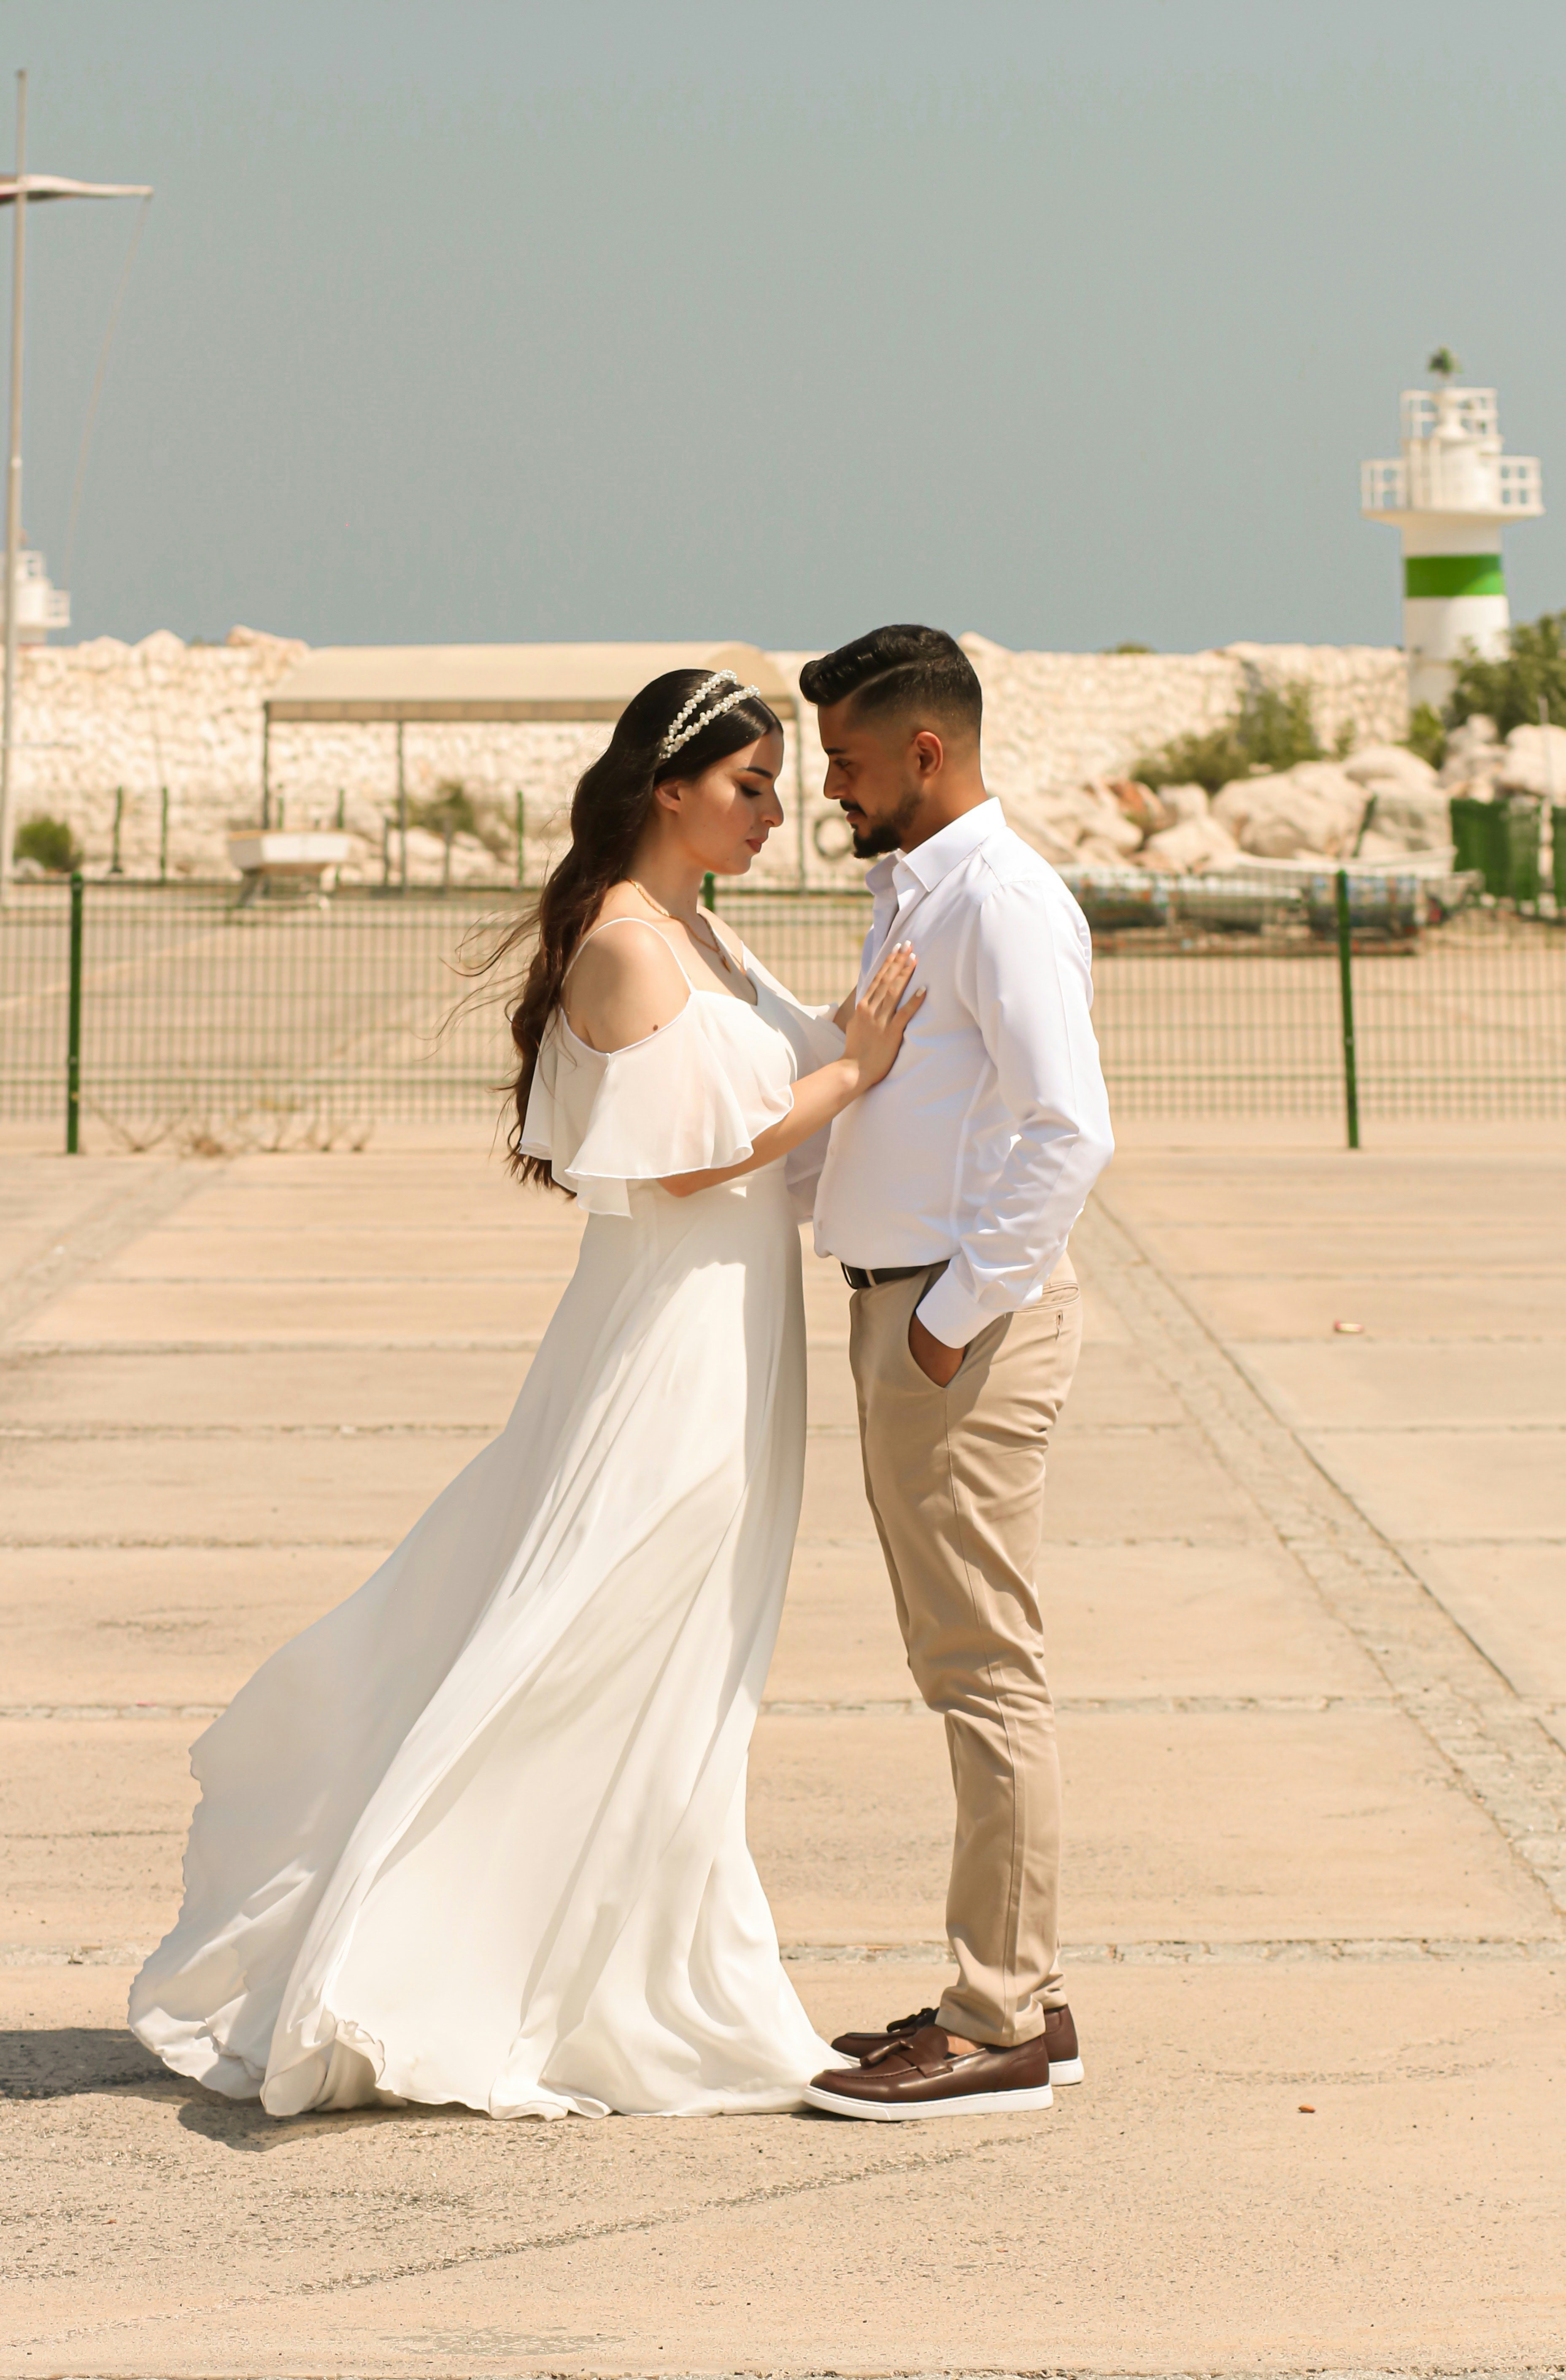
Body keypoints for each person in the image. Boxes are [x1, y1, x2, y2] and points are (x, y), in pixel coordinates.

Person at [130, 666, 922, 2121]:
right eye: (748, 786)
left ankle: (640, 1960)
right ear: (669, 790)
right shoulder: (625, 943)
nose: (773, 812)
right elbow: (685, 1158)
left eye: (776, 787)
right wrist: (853, 1072)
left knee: (688, 1655)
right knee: (599, 1631)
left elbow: (773, 1081)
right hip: (668, 1339)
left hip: (736, 1323)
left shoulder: (698, 929)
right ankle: (479, 1963)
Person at [797, 626, 1113, 2121]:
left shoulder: (998, 898)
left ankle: (997, 2019)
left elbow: (1068, 1127)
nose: (828, 790)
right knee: (958, 1662)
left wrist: (949, 1317)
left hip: (960, 1330)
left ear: (925, 752)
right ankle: (1011, 1993)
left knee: (985, 1669)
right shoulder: (916, 892)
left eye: (847, 762)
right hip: (910, 1316)